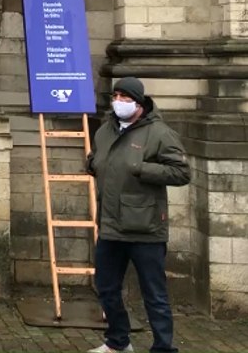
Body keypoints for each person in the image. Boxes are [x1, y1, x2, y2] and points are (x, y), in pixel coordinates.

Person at [85, 77, 191, 353]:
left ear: (139, 103)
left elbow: (181, 173)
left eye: (125, 97)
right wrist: (93, 163)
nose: (119, 101)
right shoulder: (105, 130)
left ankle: (163, 348)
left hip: (146, 228)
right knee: (106, 287)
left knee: (154, 294)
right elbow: (99, 157)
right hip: (111, 225)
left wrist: (143, 168)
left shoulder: (160, 133)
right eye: (116, 96)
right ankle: (118, 342)